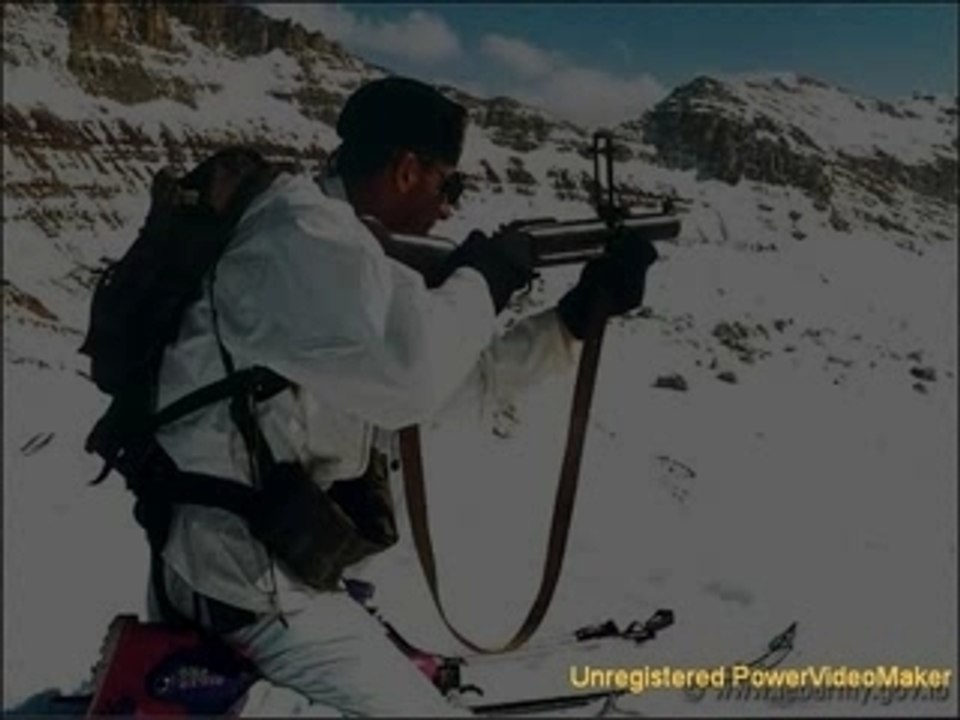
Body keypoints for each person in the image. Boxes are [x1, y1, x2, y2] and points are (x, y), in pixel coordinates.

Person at [145, 75, 658, 715]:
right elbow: (412, 379)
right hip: (245, 585)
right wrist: (485, 279)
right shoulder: (302, 234)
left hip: (263, 568)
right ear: (407, 170)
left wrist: (571, 323)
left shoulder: (334, 249)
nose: (449, 210)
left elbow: (447, 390)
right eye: (450, 186)